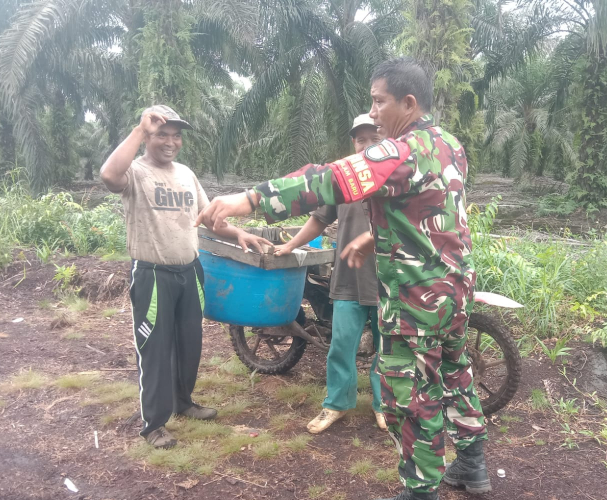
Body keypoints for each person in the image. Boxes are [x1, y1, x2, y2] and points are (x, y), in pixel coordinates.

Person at [196, 58, 491, 500]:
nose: (372, 112)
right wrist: (375, 238)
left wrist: (251, 198)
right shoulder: (449, 145)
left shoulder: (399, 149)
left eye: (379, 101)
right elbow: (430, 213)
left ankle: (421, 490)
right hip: (452, 291)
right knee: (454, 373)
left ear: (408, 103)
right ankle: (472, 465)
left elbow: (334, 179)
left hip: (415, 298)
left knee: (409, 394)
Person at [100, 105, 270, 449]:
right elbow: (107, 175)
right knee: (155, 348)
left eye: (176, 135)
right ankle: (154, 424)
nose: (170, 141)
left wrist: (238, 233)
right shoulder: (135, 172)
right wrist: (139, 130)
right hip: (153, 273)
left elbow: (209, 219)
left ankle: (183, 402)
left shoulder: (185, 175)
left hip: (190, 272)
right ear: (148, 136)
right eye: (162, 133)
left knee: (189, 343)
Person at [275, 114, 386, 434]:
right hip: (348, 280)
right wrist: (290, 246)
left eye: (373, 139)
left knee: (388, 349)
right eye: (360, 139)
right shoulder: (343, 178)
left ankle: (385, 406)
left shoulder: (394, 175)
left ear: (384, 141)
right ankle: (336, 404)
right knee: (341, 346)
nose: (366, 145)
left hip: (386, 281)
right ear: (353, 142)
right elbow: (318, 221)